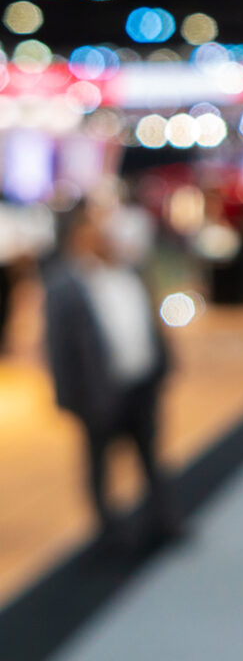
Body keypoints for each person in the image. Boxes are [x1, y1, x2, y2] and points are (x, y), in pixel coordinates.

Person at [42, 201, 178, 550]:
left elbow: (151, 320)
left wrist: (163, 364)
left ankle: (159, 520)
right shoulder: (64, 286)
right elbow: (58, 350)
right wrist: (69, 399)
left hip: (141, 383)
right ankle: (108, 533)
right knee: (100, 464)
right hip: (99, 393)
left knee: (150, 456)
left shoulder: (130, 270)